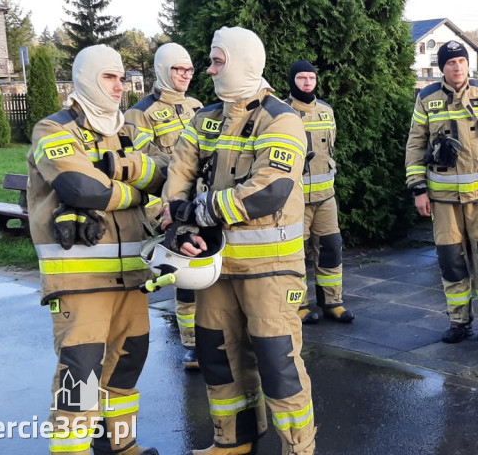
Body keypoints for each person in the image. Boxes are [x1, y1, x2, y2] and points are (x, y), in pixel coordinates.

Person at [161, 26, 316, 455]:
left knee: (278, 365)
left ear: (243, 61)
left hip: (270, 269)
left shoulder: (281, 118)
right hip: (215, 269)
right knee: (218, 359)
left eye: (217, 61)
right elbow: (180, 172)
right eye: (210, 61)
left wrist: (201, 210)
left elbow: (270, 190)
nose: (209, 70)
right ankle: (233, 442)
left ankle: (299, 448)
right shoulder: (205, 117)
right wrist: (178, 218)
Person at [27, 44, 164, 455]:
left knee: (126, 364)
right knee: (80, 374)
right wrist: (137, 191)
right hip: (80, 276)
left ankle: (120, 447)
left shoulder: (128, 130)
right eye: (109, 76)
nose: (118, 85)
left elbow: (167, 171)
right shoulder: (53, 129)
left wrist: (124, 183)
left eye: (121, 77)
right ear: (86, 77)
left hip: (132, 277)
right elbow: (79, 187)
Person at [404, 40, 478, 344]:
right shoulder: (426, 98)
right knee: (451, 262)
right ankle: (459, 323)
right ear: (442, 67)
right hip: (442, 201)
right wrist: (418, 189)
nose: (457, 67)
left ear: (468, 65)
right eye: (451, 62)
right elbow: (415, 144)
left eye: (461, 61)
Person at [124, 42, 205, 369]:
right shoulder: (139, 113)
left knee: (207, 271)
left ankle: (212, 336)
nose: (185, 75)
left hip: (201, 203)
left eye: (188, 70)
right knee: (184, 278)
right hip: (168, 206)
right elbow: (145, 168)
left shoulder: (198, 106)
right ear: (162, 70)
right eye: (177, 69)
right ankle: (192, 346)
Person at [285, 60, 355, 325]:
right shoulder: (282, 111)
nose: (306, 83)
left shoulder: (326, 110)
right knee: (295, 254)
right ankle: (298, 306)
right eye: (301, 78)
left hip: (326, 197)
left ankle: (332, 302)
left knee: (331, 249)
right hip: (294, 200)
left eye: (311, 78)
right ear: (293, 81)